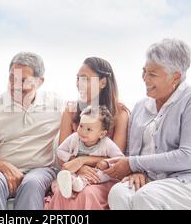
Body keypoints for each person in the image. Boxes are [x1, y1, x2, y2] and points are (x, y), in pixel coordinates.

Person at [107, 38, 191, 210]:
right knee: (118, 193)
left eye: (153, 74)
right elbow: (132, 152)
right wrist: (137, 171)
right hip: (157, 180)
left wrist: (134, 164)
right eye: (144, 71)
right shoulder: (141, 106)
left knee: (147, 197)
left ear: (175, 77)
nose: (145, 78)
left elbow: (187, 157)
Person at [0, 52, 62, 210]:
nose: (16, 86)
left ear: (40, 82)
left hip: (41, 170)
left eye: (24, 80)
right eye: (12, 78)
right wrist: (4, 167)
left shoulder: (57, 106)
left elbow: (88, 116)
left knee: (32, 183)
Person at [44, 57, 129, 210]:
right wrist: (78, 167)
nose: (79, 84)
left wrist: (82, 160)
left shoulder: (120, 113)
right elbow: (63, 153)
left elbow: (116, 159)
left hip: (103, 177)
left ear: (103, 82)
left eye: (86, 79)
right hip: (75, 173)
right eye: (78, 79)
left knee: (87, 193)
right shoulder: (71, 110)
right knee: (63, 193)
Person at [55, 106, 124, 199]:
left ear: (102, 134)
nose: (83, 131)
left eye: (88, 129)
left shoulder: (107, 144)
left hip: (96, 172)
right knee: (69, 170)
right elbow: (60, 150)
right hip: (78, 170)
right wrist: (72, 159)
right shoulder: (74, 138)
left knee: (102, 174)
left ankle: (80, 183)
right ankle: (69, 181)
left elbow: (120, 159)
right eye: (81, 126)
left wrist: (106, 163)